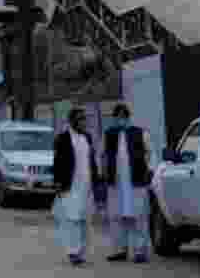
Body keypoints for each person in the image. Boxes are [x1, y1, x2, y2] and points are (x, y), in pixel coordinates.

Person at [102, 103, 152, 264]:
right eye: (118, 116)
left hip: (136, 181)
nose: (121, 119)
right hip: (116, 183)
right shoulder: (109, 134)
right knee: (116, 217)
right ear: (114, 118)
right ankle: (120, 250)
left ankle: (140, 251)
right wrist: (103, 174)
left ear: (128, 117)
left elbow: (150, 154)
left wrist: (149, 172)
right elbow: (102, 155)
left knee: (139, 216)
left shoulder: (140, 133)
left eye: (124, 116)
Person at [53, 108, 101, 267]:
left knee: (84, 220)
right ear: (72, 121)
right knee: (72, 219)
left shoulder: (87, 137)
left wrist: (96, 181)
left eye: (84, 119)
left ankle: (80, 251)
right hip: (71, 185)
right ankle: (73, 252)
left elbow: (91, 161)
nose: (83, 122)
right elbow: (58, 162)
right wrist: (59, 183)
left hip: (86, 186)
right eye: (80, 119)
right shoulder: (63, 138)